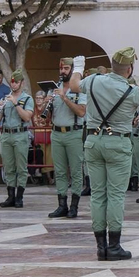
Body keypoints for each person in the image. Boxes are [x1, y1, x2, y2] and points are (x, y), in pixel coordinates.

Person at [72, 48, 139, 259]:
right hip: (118, 144)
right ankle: (113, 246)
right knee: (115, 195)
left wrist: (77, 67)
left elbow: (74, 84)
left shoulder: (93, 80)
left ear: (112, 66)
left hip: (93, 141)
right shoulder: (131, 92)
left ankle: (100, 247)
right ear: (129, 69)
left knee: (97, 194)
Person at [41, 75, 86, 218]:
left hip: (74, 133)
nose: (63, 71)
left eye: (66, 68)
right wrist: (45, 104)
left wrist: (65, 98)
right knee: (59, 171)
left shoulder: (80, 90)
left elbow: (81, 112)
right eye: (61, 68)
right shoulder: (53, 89)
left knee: (76, 171)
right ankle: (62, 205)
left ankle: (74, 206)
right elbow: (47, 116)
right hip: (56, 133)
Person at [0, 70, 35, 208]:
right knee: (9, 167)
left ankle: (19, 197)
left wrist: (16, 103)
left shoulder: (27, 98)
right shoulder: (5, 98)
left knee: (21, 167)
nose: (14, 85)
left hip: (20, 134)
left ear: (22, 83)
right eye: (12, 82)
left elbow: (27, 117)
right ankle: (10, 196)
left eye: (16, 82)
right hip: (6, 134)